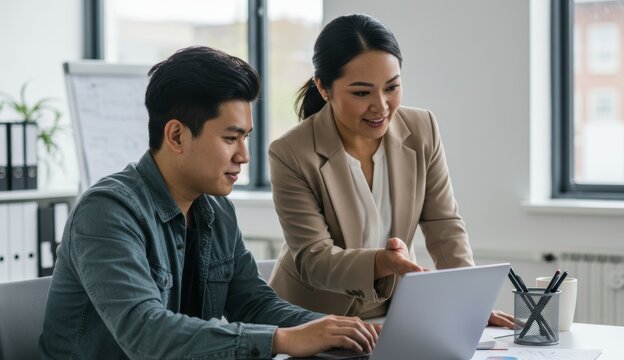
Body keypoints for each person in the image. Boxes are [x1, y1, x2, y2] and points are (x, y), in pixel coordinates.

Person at [39, 46, 379, 360]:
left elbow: (254, 303)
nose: (244, 156)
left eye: (245, 138)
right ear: (176, 136)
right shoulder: (107, 211)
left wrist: (342, 330)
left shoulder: (216, 210)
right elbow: (145, 332)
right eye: (230, 138)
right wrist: (282, 339)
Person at [268, 14, 514, 327]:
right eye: (361, 92)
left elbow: (444, 225)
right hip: (311, 319)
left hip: (390, 317)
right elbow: (313, 258)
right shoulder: (291, 152)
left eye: (392, 87)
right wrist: (380, 262)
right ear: (324, 87)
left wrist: (467, 301)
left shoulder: (422, 128)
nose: (381, 106)